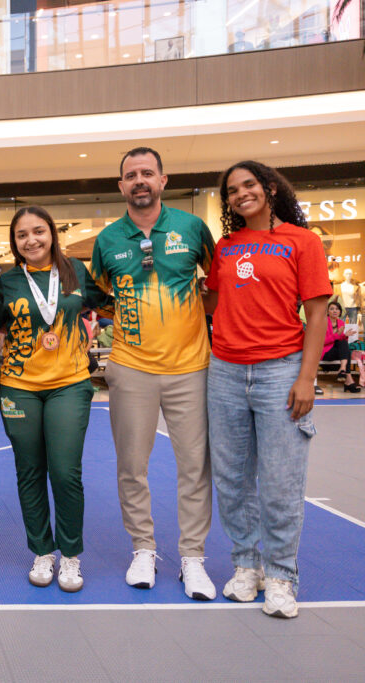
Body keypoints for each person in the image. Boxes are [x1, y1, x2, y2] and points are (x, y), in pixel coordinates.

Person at [204, 160, 331, 618]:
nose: (240, 195)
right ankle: (246, 566)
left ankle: (280, 576)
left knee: (280, 482)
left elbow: (316, 315)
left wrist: (306, 377)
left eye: (248, 185)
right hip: (225, 373)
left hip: (282, 371)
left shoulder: (303, 241)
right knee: (233, 481)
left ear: (270, 188)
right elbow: (213, 302)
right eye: (232, 191)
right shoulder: (226, 247)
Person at [89, 146, 218, 600]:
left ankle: (193, 558)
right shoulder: (107, 241)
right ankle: (143, 548)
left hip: (192, 369)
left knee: (195, 468)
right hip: (130, 368)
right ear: (121, 186)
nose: (139, 180)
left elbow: (217, 285)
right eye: (131, 175)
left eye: (147, 173)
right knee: (131, 467)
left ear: (164, 179)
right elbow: (100, 297)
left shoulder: (192, 228)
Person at [0, 206, 112, 592]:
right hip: (19, 386)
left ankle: (70, 555)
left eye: (38, 231)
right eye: (22, 235)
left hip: (69, 384)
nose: (31, 240)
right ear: (15, 242)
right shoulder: (7, 283)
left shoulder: (76, 271)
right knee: (30, 471)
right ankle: (42, 550)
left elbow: (109, 306)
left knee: (65, 471)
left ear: (52, 234)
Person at [321, 301, 361, 392]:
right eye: (332, 309)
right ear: (328, 311)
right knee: (346, 351)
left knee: (344, 345)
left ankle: (343, 370)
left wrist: (345, 335)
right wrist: (338, 335)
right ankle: (349, 381)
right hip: (326, 352)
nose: (335, 311)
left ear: (340, 312)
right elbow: (322, 342)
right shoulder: (323, 322)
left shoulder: (341, 322)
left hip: (337, 352)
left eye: (337, 309)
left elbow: (341, 343)